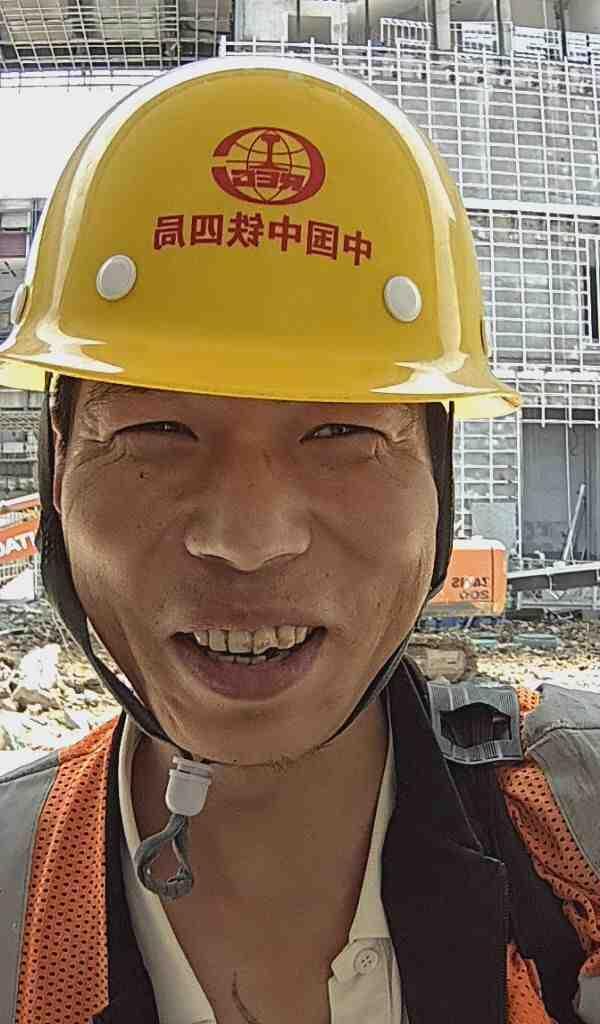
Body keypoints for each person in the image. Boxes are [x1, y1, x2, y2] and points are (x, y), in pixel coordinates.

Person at [0, 56, 598, 1024]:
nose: (248, 541)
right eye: (159, 431)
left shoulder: (578, 832)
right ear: (59, 465)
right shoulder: (14, 888)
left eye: (341, 434)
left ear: (437, 476)